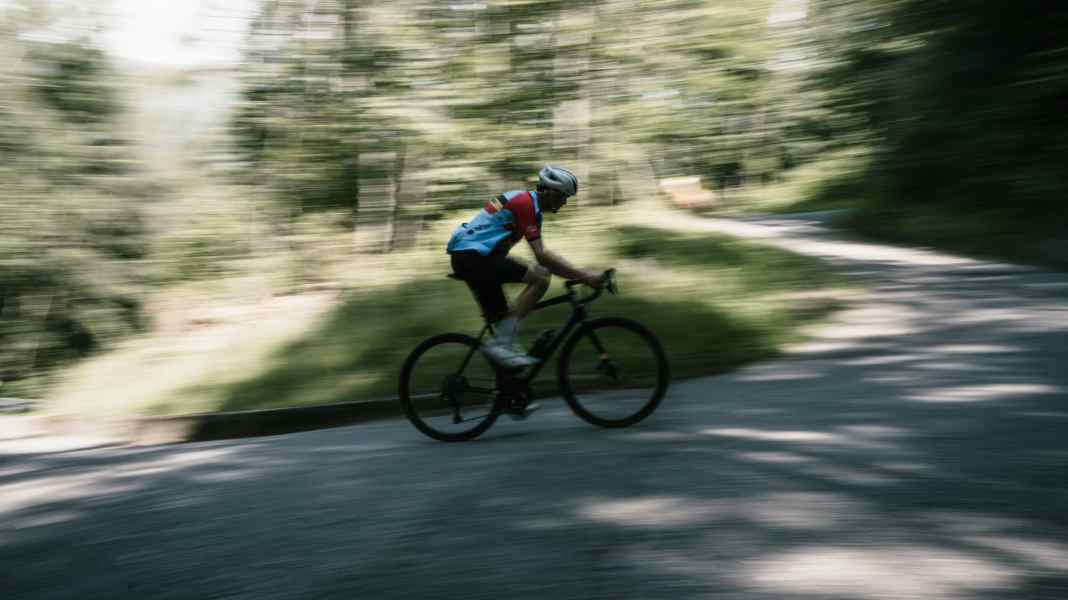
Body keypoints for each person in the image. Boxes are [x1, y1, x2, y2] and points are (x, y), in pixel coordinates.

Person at [447, 165, 604, 369]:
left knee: (504, 325)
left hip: (472, 257)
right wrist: (584, 276)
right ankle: (502, 345)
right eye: (563, 196)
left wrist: (579, 275)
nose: (565, 203)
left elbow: (542, 256)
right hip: (473, 257)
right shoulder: (524, 204)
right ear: (549, 192)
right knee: (540, 278)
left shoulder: (529, 207)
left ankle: (509, 393)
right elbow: (542, 257)